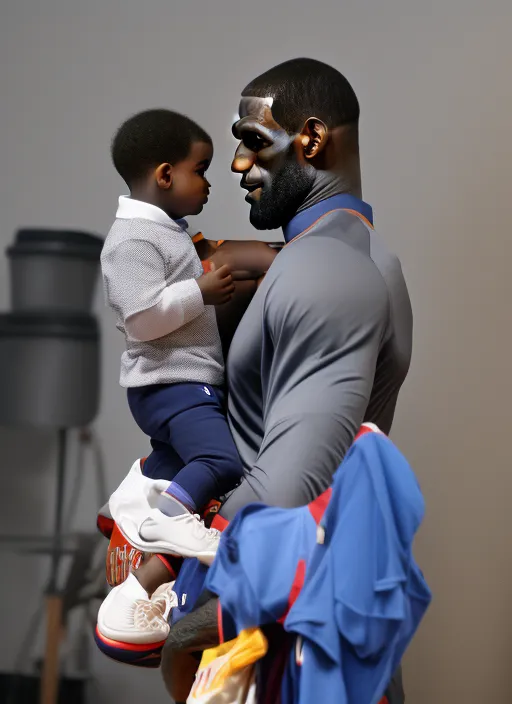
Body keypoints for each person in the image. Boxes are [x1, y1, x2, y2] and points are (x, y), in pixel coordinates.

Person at [101, 109, 277, 564]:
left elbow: (210, 258)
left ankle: (135, 498)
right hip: (170, 385)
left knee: (178, 462)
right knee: (222, 464)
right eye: (200, 171)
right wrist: (199, 292)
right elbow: (141, 320)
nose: (209, 184)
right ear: (164, 175)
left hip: (178, 383)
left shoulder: (165, 231)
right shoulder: (134, 241)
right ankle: (168, 518)